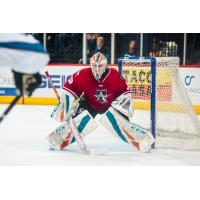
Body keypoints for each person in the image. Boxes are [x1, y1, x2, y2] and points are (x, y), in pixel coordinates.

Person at [48, 52, 155, 153]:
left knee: (120, 122)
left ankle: (144, 140)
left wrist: (124, 106)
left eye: (100, 66)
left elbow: (125, 92)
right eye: (94, 66)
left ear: (106, 65)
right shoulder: (83, 74)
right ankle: (57, 139)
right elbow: (70, 86)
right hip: (89, 103)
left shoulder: (114, 75)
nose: (97, 69)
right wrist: (66, 103)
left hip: (110, 104)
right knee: (76, 122)